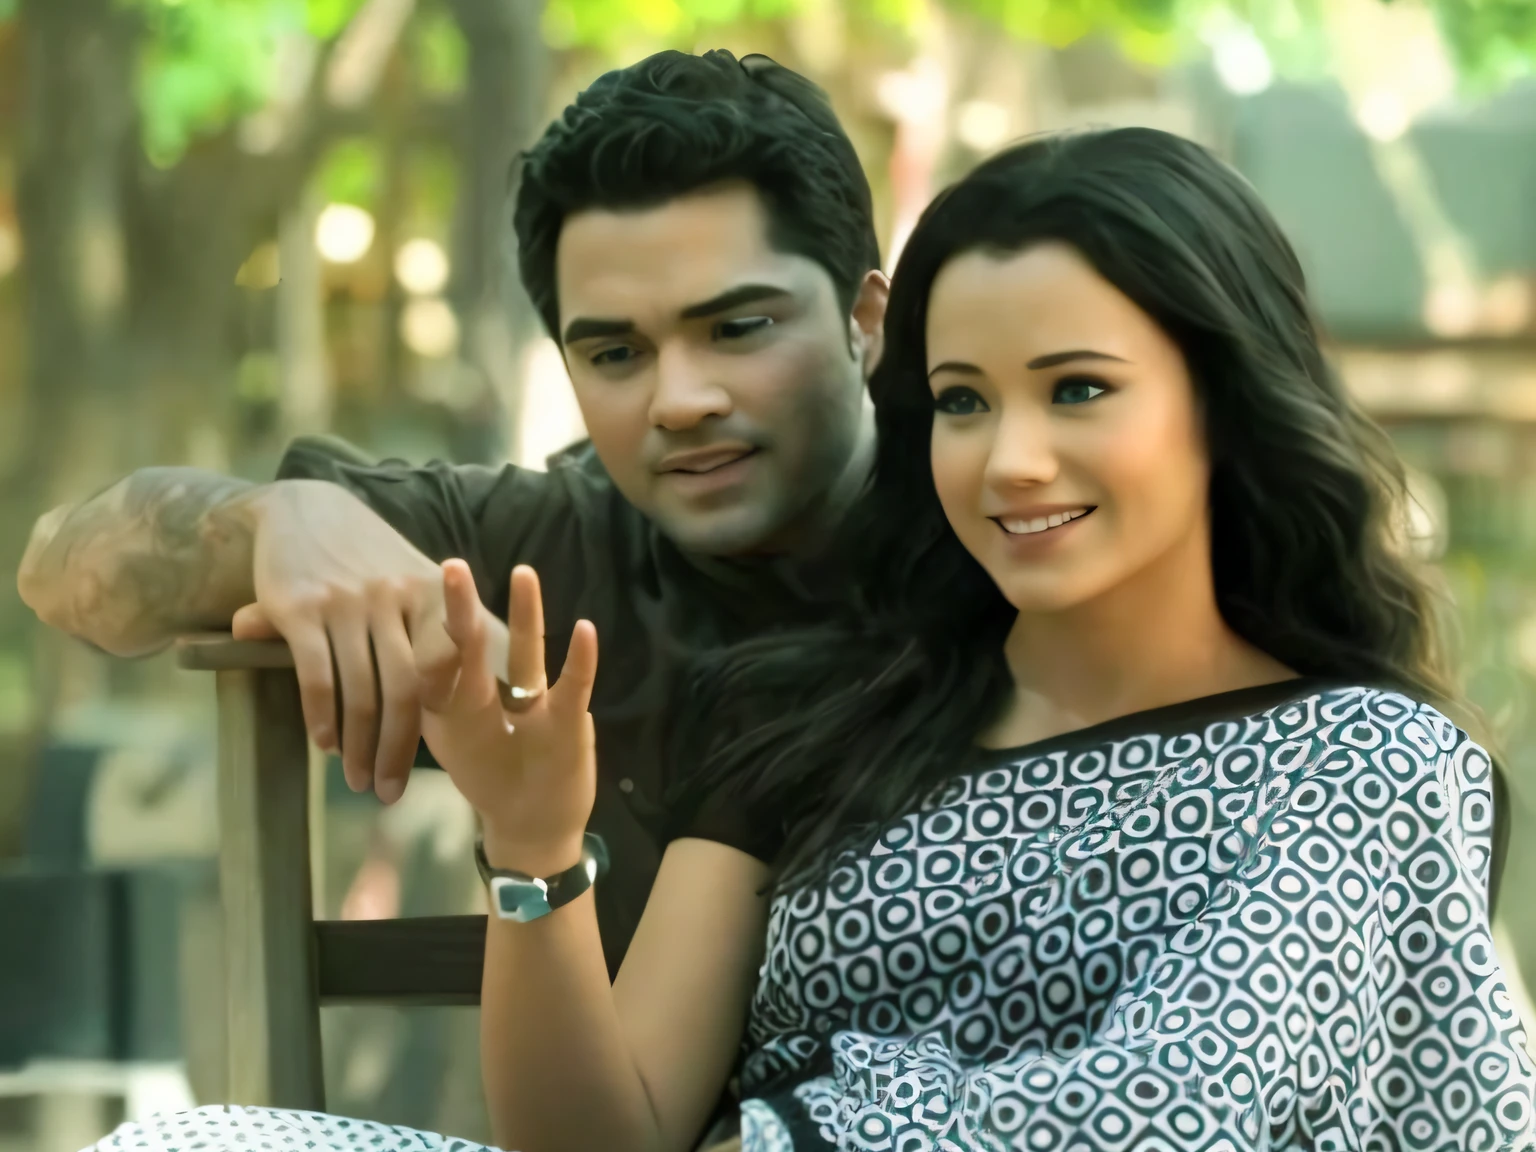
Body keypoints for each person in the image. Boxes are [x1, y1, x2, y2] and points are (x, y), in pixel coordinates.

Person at [89, 127, 1534, 1152]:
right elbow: (608, 1137)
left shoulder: (1365, 760)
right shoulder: (821, 707)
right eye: (963, 402)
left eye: (1078, 390)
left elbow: (1169, 1108)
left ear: (1223, 400)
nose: (1010, 460)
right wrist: (535, 849)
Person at [17, 48, 887, 975]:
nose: (679, 399)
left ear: (865, 321)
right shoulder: (540, 555)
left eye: (738, 328)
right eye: (616, 354)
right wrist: (277, 517)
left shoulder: (1007, 529)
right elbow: (61, 571)